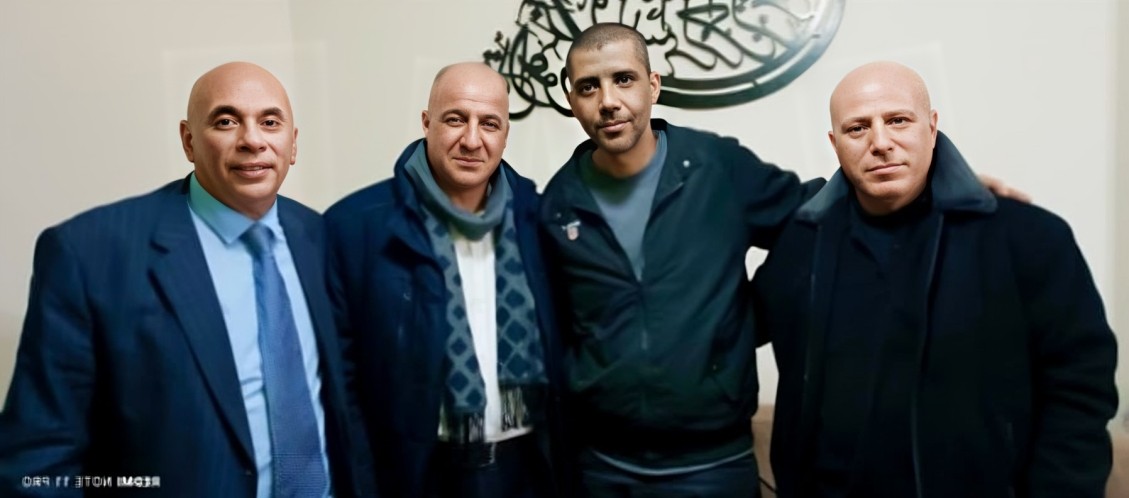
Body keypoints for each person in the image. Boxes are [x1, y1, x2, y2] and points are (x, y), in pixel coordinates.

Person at [539, 22, 1027, 497]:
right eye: (588, 86)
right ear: (570, 98)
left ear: (653, 85)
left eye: (623, 79)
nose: (608, 100)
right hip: (602, 466)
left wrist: (938, 189)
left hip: (713, 463)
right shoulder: (558, 203)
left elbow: (814, 212)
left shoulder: (716, 167)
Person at [0, 62, 373, 498]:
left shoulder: (320, 236)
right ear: (189, 141)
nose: (252, 140)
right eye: (226, 121)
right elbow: (38, 463)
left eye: (270, 122)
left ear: (293, 144)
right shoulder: (90, 254)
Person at [752, 61, 1118, 497]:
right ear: (835, 143)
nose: (880, 142)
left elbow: (1079, 389)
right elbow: (724, 325)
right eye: (857, 128)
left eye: (898, 120)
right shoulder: (802, 244)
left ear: (932, 126)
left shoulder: (1027, 237)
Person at [324, 62, 569, 498]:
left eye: (489, 124)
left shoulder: (537, 218)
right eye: (456, 119)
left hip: (530, 470)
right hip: (419, 475)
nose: (472, 140)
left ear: (505, 134)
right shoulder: (355, 228)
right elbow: (342, 383)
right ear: (426, 123)